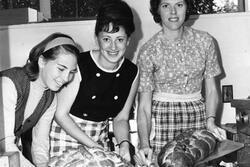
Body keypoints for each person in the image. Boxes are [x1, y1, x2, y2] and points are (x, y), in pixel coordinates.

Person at [136, 0, 226, 165]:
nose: (173, 12)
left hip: (197, 117)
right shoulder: (148, 50)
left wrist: (211, 121)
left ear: (187, 7)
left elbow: (212, 90)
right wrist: (144, 143)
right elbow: (143, 107)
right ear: (158, 10)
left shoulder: (205, 41)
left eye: (179, 4)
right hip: (162, 119)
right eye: (165, 6)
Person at [49, 0, 139, 163]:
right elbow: (60, 115)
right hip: (64, 139)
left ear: (128, 40)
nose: (113, 46)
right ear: (97, 38)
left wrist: (124, 144)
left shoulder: (132, 72)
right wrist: (95, 148)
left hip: (100, 141)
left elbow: (121, 119)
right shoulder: (80, 64)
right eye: (106, 39)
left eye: (119, 39)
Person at [0, 32, 79, 167]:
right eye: (61, 69)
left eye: (71, 72)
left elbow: (40, 143)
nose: (66, 78)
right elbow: (6, 144)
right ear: (42, 61)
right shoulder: (9, 84)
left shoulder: (50, 98)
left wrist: (44, 165)